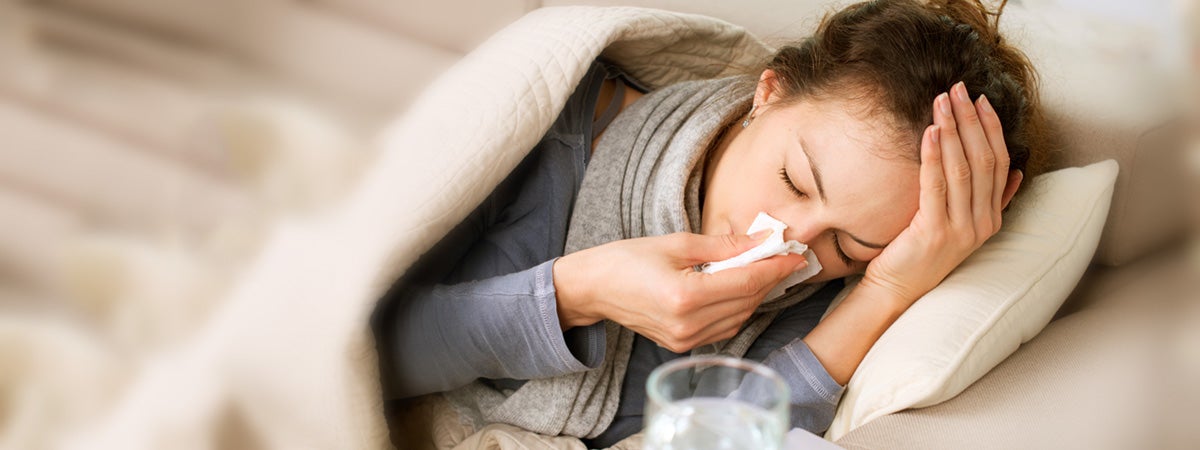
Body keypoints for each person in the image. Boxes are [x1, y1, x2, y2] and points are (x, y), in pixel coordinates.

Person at [373, 0, 1049, 446]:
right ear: (768, 93)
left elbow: (715, 436)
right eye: (795, 181)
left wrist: (884, 293)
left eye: (850, 243)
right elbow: (352, 347)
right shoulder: (539, 130)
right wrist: (575, 293)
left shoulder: (818, 289)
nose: (785, 242)